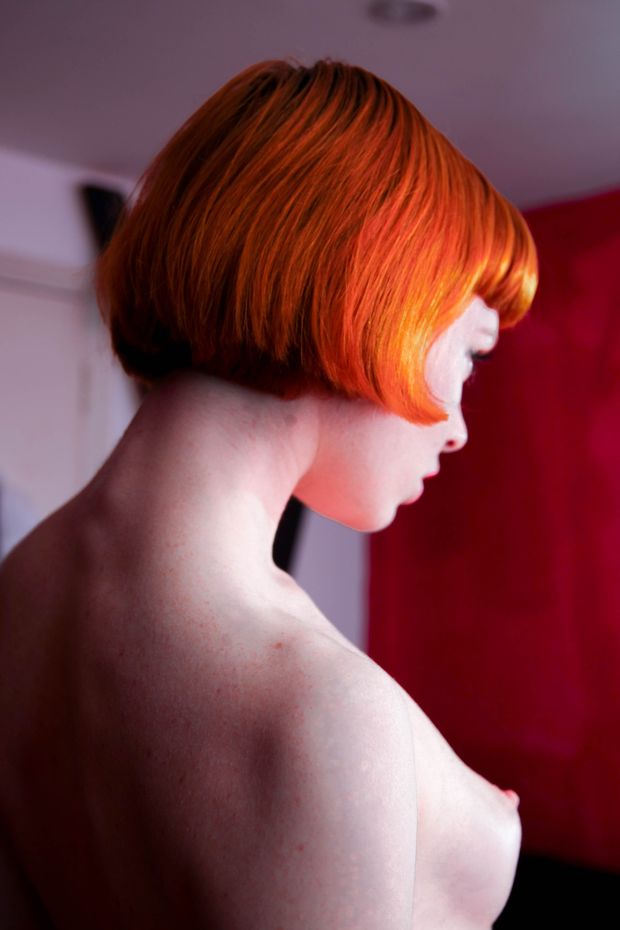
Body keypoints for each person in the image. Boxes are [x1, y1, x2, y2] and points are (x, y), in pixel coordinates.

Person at [0, 58, 538, 929]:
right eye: (471, 354)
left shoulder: (19, 590)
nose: (458, 431)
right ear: (372, 295)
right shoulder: (318, 713)